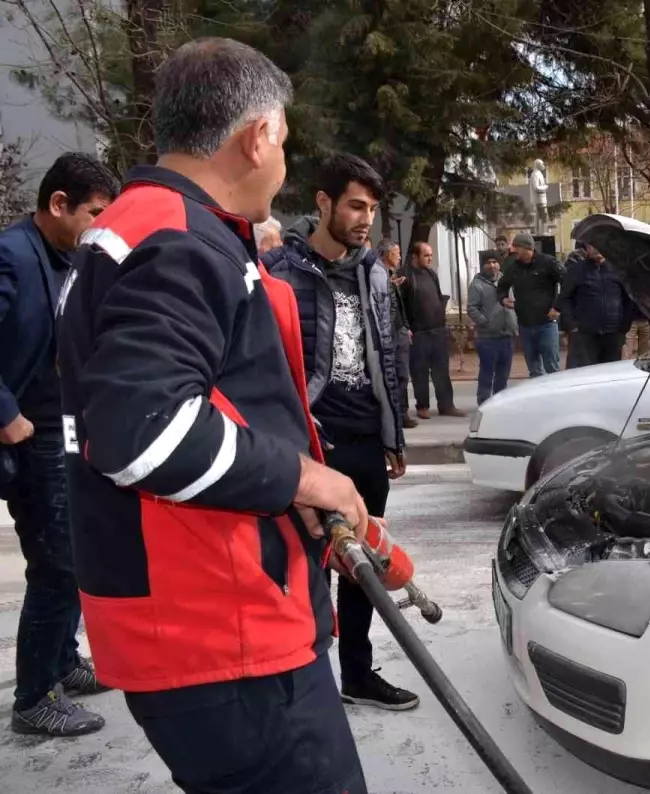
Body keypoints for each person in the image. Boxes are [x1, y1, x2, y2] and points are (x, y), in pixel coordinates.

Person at [57, 38, 371, 793]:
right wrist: (305, 479)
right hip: (222, 631)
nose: (285, 163)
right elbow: (143, 428)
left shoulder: (141, 228)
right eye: (285, 142)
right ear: (256, 136)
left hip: (207, 622)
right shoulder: (175, 238)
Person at [261, 155, 418, 713]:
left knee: (364, 568)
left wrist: (391, 434)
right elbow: (266, 368)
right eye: (356, 205)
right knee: (307, 569)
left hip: (364, 442)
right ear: (323, 202)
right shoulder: (279, 270)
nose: (365, 220)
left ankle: (357, 673)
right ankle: (310, 685)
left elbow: (389, 358)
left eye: (373, 209)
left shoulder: (374, 270)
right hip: (311, 446)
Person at [0, 153, 118, 737]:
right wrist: (7, 416)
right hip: (30, 435)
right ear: (58, 204)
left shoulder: (69, 256)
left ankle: (65, 663)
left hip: (67, 430)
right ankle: (32, 698)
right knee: (57, 565)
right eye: (94, 213)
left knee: (74, 554)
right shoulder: (12, 254)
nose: (99, 227)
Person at [401, 242, 466, 418]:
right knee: (419, 372)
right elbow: (400, 306)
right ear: (415, 256)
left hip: (437, 331)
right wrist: (406, 327)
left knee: (441, 371)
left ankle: (446, 405)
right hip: (418, 333)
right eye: (426, 255)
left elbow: (437, 296)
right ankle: (422, 406)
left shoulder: (431, 274)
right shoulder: (406, 276)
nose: (430, 258)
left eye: (430, 255)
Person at [559, 242, 633, 368]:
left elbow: (629, 300)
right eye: (592, 245)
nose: (596, 249)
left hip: (613, 335)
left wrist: (623, 327)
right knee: (584, 376)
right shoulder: (576, 270)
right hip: (584, 336)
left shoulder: (617, 270)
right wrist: (572, 326)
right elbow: (565, 298)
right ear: (587, 248)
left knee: (610, 376)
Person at [498, 232, 562, 377]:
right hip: (525, 326)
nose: (514, 251)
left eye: (516, 248)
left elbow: (567, 282)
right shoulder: (514, 268)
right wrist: (503, 299)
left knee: (552, 367)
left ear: (527, 248)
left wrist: (557, 306)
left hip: (547, 324)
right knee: (534, 370)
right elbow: (502, 286)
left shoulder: (548, 263)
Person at [468, 252, 518, 403]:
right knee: (487, 373)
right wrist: (486, 322)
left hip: (507, 335)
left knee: (503, 374)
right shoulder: (477, 285)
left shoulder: (506, 281)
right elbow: (471, 308)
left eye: (495, 262)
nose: (492, 265)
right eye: (488, 262)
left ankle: (500, 402)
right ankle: (484, 403)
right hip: (487, 337)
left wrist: (515, 321)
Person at [379, 239, 418, 429]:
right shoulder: (378, 275)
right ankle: (394, 414)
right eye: (397, 253)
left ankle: (403, 412)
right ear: (387, 255)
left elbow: (398, 306)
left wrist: (405, 326)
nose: (400, 256)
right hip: (389, 332)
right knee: (391, 374)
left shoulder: (392, 277)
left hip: (400, 330)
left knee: (402, 373)